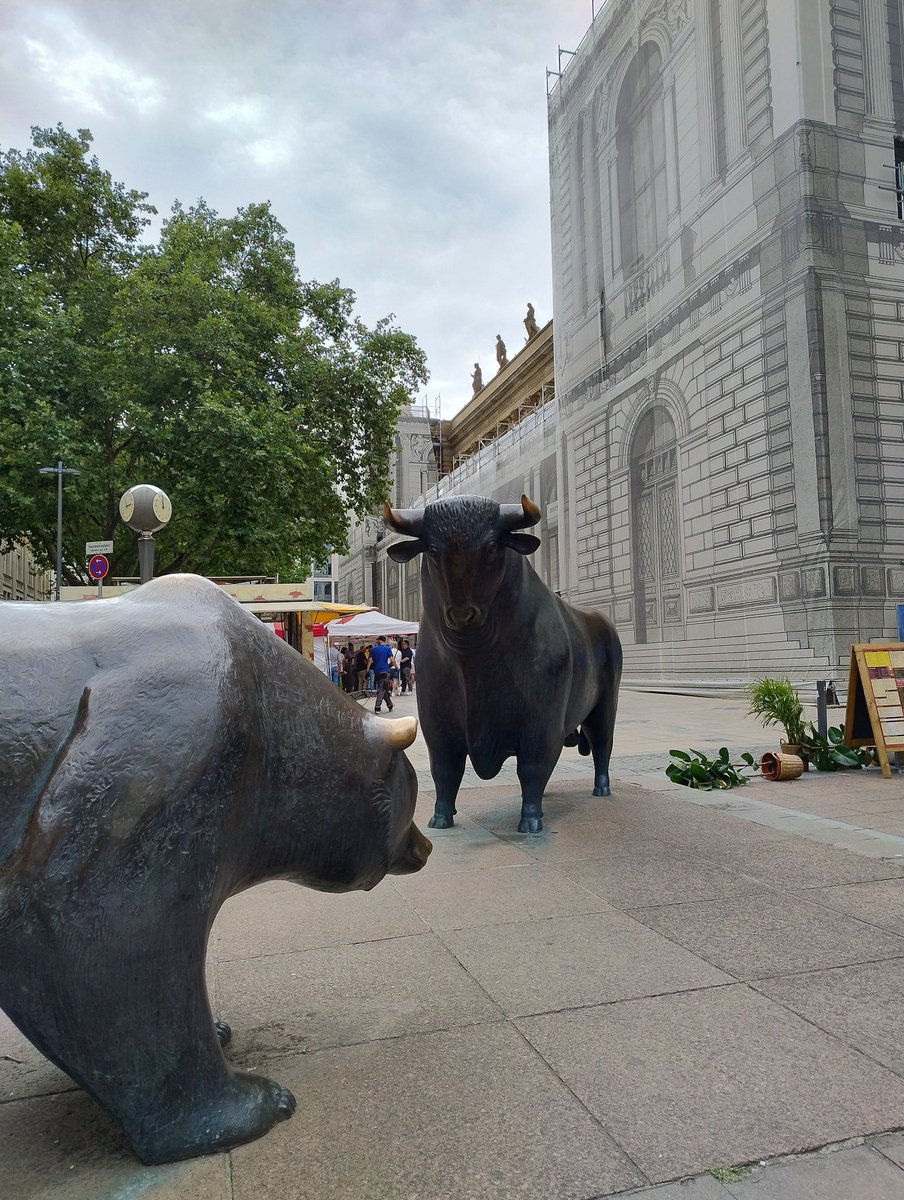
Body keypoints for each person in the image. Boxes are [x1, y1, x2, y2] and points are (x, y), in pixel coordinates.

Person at [369, 636, 394, 712]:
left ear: (380, 640)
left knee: (383, 687)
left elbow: (370, 660)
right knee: (382, 689)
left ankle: (390, 705)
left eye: (377, 640)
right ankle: (377, 706)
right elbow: (392, 660)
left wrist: (367, 670)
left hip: (376, 671)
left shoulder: (373, 649)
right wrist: (393, 666)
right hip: (385, 670)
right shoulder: (387, 649)